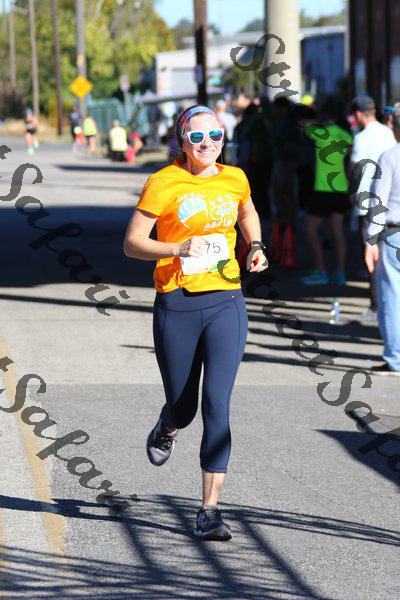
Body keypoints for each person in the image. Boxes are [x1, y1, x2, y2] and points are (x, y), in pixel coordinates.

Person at [123, 105, 268, 540]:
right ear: (182, 141)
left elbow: (246, 212)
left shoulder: (235, 177)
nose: (208, 145)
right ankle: (167, 425)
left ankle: (209, 510)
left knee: (217, 404)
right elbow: (132, 243)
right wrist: (177, 248)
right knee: (184, 407)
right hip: (177, 302)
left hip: (227, 300)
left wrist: (255, 246)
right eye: (198, 137)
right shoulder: (163, 182)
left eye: (216, 136)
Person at [350, 95, 396, 321]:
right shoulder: (389, 133)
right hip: (389, 202)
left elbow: (356, 169)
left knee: (371, 255)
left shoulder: (361, 137)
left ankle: (375, 306)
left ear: (358, 114)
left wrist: (351, 193)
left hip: (367, 202)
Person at [365, 102, 400, 376]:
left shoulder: (390, 157)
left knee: (392, 296)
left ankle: (396, 358)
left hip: (393, 233)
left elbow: (378, 202)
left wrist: (370, 240)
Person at [301, 103, 353, 285]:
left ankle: (321, 271)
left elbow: (303, 126)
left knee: (310, 229)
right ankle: (340, 273)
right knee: (338, 233)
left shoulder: (318, 133)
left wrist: (313, 120)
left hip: (323, 189)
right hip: (341, 188)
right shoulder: (345, 135)